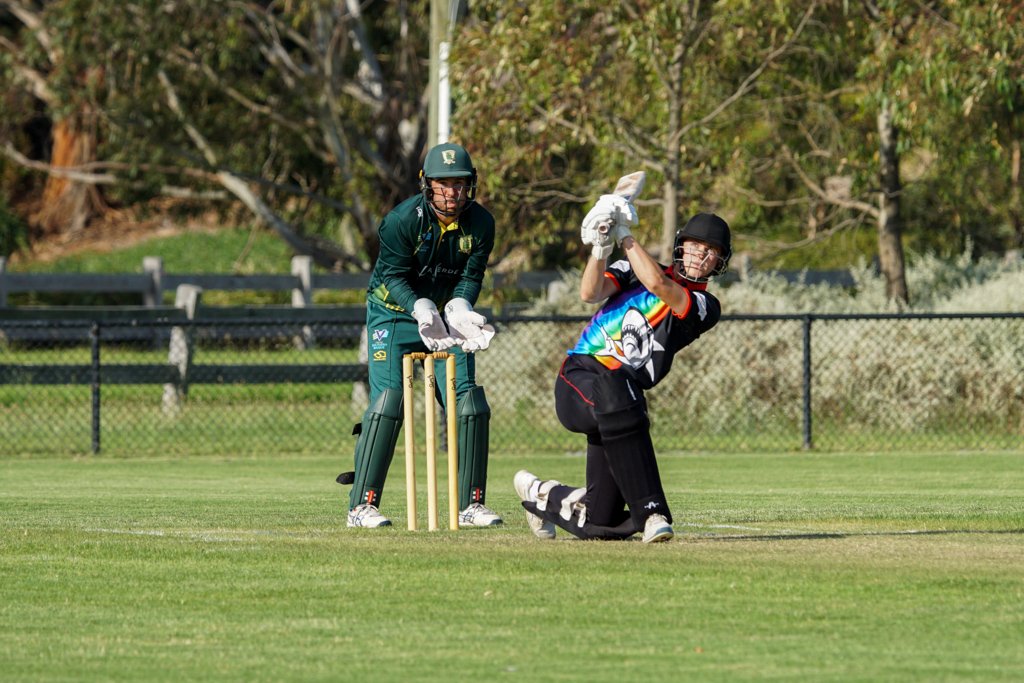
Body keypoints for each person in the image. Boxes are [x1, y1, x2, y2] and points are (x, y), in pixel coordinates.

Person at [513, 190, 731, 543]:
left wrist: (624, 236)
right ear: (681, 246)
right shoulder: (631, 268)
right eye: (695, 246)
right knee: (617, 389)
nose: (701, 255)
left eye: (711, 252)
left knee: (603, 523)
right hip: (581, 377)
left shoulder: (707, 305)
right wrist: (600, 248)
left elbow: (660, 286)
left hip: (622, 401)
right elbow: (590, 292)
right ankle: (652, 512)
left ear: (719, 262)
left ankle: (543, 493)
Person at [340, 142, 502, 529]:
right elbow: (393, 275)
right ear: (427, 185)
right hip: (394, 315)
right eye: (443, 184)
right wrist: (420, 307)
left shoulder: (482, 224)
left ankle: (471, 504)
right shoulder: (401, 221)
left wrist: (460, 308)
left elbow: (470, 276)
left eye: (460, 184)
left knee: (470, 402)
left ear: (471, 186)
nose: (452, 192)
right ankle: (361, 506)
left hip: (447, 319)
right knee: (389, 402)